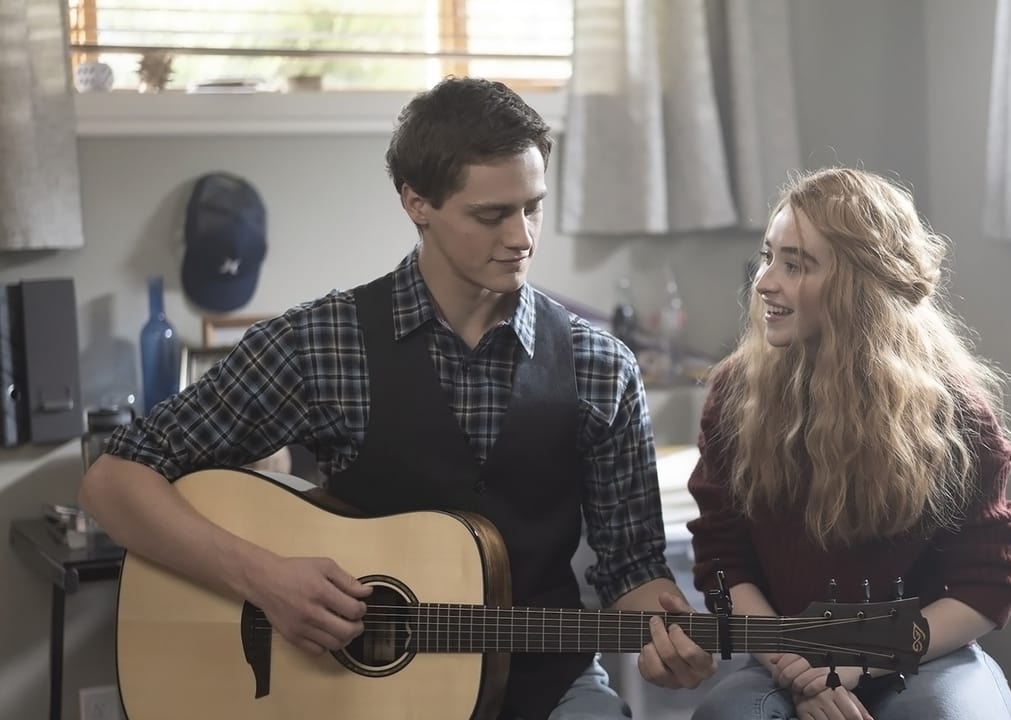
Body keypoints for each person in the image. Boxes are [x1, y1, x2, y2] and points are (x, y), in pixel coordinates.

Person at [80, 76, 715, 720]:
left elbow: (633, 570)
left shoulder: (601, 367)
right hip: (357, 693)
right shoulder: (319, 345)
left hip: (547, 686)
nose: (522, 237)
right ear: (417, 202)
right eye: (491, 214)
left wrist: (665, 638)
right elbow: (113, 481)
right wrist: (264, 578)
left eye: (533, 207)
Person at [685, 167, 1011, 720]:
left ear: (858, 285)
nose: (764, 282)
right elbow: (724, 563)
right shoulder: (735, 393)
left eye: (795, 264)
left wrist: (857, 657)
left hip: (922, 656)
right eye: (768, 256)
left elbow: (983, 588)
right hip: (782, 651)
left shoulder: (953, 408)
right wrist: (798, 666)